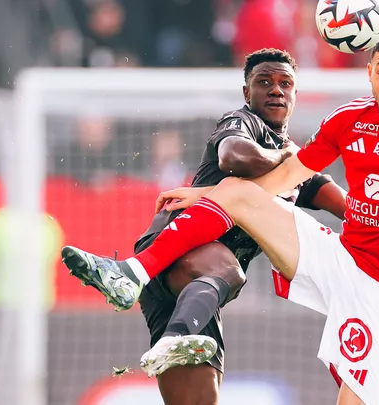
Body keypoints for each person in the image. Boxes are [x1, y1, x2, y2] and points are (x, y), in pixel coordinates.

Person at [61, 30, 379, 405]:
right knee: (238, 196)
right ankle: (131, 274)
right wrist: (209, 194)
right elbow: (283, 176)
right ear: (369, 72)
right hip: (342, 257)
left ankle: (169, 320)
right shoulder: (347, 119)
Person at [79, 48, 347, 405]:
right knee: (231, 270)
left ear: (296, 94)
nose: (276, 90)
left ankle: (167, 323)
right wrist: (284, 158)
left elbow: (354, 210)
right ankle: (157, 308)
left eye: (286, 84)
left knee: (199, 400)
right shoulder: (242, 122)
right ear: (246, 93)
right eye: (264, 82)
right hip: (180, 254)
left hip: (200, 295)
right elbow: (233, 158)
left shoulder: (302, 172)